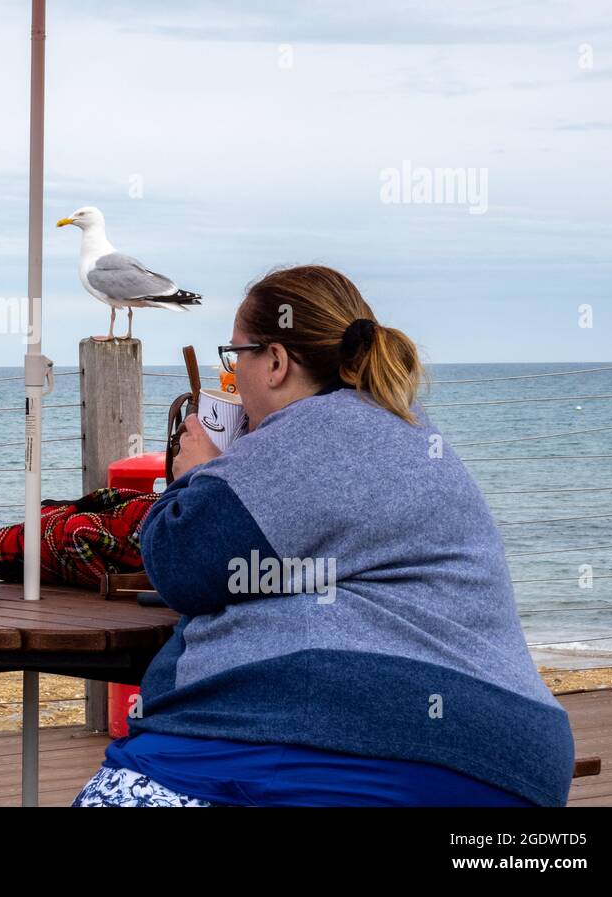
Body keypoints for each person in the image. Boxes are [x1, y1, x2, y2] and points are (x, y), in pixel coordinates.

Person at [74, 264, 574, 807]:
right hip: (511, 756)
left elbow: (181, 560)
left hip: (345, 743)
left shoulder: (309, 436)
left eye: (235, 355)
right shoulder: (403, 426)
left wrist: (193, 475)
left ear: (276, 362)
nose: (232, 374)